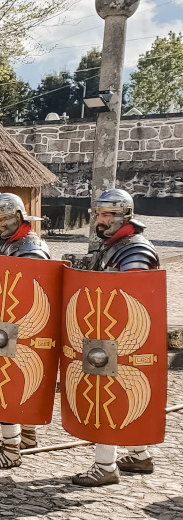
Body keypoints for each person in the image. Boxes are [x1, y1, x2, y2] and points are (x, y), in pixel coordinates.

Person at [72, 189, 161, 487]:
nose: (101, 220)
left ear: (125, 215)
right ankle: (140, 454)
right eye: (98, 214)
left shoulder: (134, 250)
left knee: (107, 398)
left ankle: (105, 465)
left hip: (122, 341)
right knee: (120, 395)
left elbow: (133, 296)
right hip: (106, 336)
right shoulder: (112, 246)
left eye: (108, 215)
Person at [0, 193, 52, 470]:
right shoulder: (14, 245)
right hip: (12, 329)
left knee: (9, 386)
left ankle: (11, 450)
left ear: (17, 217)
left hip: (22, 332)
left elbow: (33, 297)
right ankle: (27, 437)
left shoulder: (29, 248)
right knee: (19, 384)